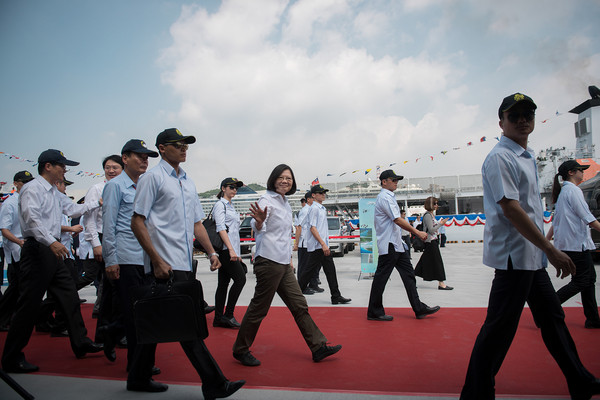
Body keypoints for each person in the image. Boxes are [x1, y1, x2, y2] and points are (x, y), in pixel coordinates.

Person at [460, 93, 600, 399]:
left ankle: (580, 380)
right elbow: (511, 208)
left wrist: (543, 249)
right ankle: (475, 394)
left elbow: (529, 209)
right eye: (515, 116)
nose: (523, 120)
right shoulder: (501, 157)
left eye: (528, 114)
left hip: (530, 256)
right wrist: (550, 249)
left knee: (552, 319)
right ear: (502, 122)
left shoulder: (526, 155)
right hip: (514, 257)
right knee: (498, 330)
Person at [130, 128, 245, 398]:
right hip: (163, 265)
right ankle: (214, 383)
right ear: (162, 148)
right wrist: (156, 260)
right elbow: (137, 221)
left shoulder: (188, 182)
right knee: (187, 324)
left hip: (184, 262)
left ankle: (137, 377)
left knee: (159, 320)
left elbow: (197, 224)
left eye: (186, 145)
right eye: (177, 145)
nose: (184, 149)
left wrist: (212, 252)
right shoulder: (152, 179)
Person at [1, 149, 104, 373]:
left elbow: (73, 208)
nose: (65, 170)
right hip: (39, 249)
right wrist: (51, 242)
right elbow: (32, 220)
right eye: (61, 165)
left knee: (69, 297)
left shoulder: (54, 192)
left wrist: (96, 203)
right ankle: (11, 357)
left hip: (52, 249)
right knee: (28, 304)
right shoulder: (32, 189)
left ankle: (81, 343)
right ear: (48, 166)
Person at [233, 164, 342, 367]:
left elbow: (284, 235)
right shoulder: (267, 199)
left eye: (289, 178)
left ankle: (318, 347)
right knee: (259, 308)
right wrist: (258, 222)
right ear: (273, 179)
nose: (285, 181)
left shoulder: (284, 201)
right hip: (268, 262)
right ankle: (240, 349)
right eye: (281, 177)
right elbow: (260, 229)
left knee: (299, 304)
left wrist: (290, 260)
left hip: (283, 263)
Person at [101, 139, 160, 367]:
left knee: (141, 311)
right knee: (136, 314)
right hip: (126, 258)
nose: (144, 160)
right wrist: (111, 260)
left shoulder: (145, 184)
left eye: (147, 157)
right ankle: (137, 366)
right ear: (125, 158)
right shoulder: (115, 186)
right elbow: (109, 225)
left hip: (145, 257)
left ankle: (112, 332)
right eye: (140, 156)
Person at [367, 170, 441, 321]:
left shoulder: (389, 197)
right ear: (384, 182)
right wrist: (417, 232)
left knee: (409, 275)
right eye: (393, 180)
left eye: (396, 180)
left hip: (396, 244)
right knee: (381, 278)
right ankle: (374, 311)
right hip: (389, 244)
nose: (396, 182)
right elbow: (397, 220)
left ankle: (419, 308)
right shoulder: (384, 198)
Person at [546, 159, 600, 329]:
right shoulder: (573, 191)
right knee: (582, 280)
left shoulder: (564, 193)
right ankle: (547, 310)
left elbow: (556, 222)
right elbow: (588, 218)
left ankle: (592, 319)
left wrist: (546, 241)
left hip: (573, 244)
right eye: (580, 170)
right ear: (571, 172)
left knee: (589, 279)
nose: (582, 173)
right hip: (576, 245)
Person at [77, 155, 123, 324]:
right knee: (109, 283)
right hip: (103, 237)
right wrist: (96, 245)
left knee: (115, 284)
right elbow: (89, 220)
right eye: (108, 167)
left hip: (121, 238)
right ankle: (106, 325)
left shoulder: (125, 187)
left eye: (115, 167)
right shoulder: (97, 189)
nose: (111, 171)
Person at [298, 184, 351, 304]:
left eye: (324, 193)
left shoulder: (321, 208)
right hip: (318, 246)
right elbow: (312, 228)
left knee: (329, 270)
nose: (323, 195)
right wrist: (323, 244)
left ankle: (335, 296)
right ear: (314, 195)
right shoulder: (314, 208)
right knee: (308, 272)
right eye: (320, 193)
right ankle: (293, 294)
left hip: (321, 246)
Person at [0, 171, 34, 330]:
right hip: (16, 249)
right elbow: (5, 230)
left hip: (28, 248)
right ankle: (3, 319)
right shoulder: (9, 203)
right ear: (15, 183)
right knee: (16, 287)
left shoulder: (28, 200)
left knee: (23, 287)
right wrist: (19, 242)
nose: (27, 185)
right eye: (24, 182)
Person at [212, 177, 247, 329]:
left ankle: (219, 317)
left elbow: (233, 232)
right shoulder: (220, 205)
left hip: (231, 251)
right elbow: (220, 228)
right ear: (223, 188)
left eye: (236, 188)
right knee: (240, 280)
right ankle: (228, 315)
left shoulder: (230, 206)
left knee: (223, 284)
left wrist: (236, 252)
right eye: (231, 187)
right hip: (226, 250)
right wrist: (232, 250)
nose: (234, 190)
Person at [414, 197, 453, 290]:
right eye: (435, 203)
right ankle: (441, 283)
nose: (437, 205)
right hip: (430, 241)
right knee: (437, 262)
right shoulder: (428, 215)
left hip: (432, 241)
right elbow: (431, 230)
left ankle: (410, 278)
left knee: (424, 262)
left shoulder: (431, 215)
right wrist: (441, 223)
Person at [293, 191, 322, 295]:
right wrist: (296, 243)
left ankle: (313, 284)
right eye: (313, 199)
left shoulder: (312, 210)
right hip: (304, 243)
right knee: (303, 266)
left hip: (311, 243)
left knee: (313, 266)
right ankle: (302, 287)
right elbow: (299, 227)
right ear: (308, 200)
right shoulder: (305, 210)